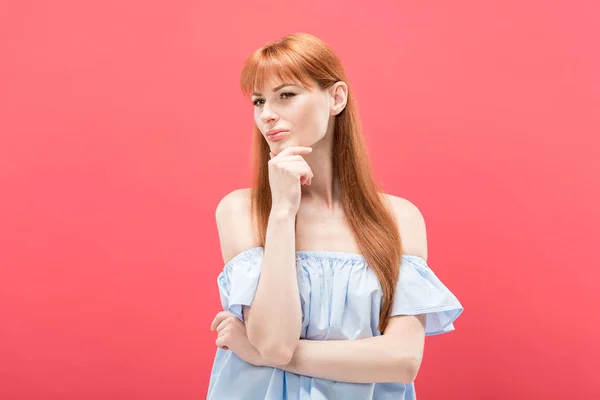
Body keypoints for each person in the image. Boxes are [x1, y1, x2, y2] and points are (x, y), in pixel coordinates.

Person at [207, 32, 463, 399]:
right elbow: (275, 342)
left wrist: (259, 351)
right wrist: (282, 211)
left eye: (286, 95)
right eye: (259, 100)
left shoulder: (400, 219)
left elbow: (402, 359)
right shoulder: (240, 211)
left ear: (336, 98)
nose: (267, 115)